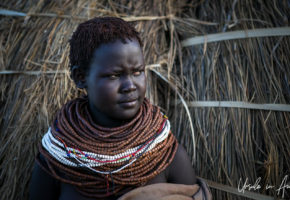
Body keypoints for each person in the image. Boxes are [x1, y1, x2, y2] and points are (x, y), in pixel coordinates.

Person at [29, 17, 210, 200]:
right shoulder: (56, 159)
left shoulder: (166, 154)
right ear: (80, 77)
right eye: (115, 75)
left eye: (137, 71)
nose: (130, 86)